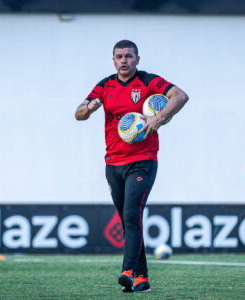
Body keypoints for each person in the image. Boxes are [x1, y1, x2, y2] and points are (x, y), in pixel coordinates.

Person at [75, 40, 188, 292]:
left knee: (131, 214)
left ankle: (127, 270)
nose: (124, 60)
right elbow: (78, 113)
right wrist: (90, 108)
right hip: (113, 164)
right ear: (113, 60)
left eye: (128, 56)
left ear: (138, 59)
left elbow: (180, 96)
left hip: (142, 161)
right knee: (130, 222)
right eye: (119, 56)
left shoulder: (149, 82)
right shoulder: (105, 85)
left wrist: (159, 117)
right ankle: (142, 278)